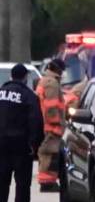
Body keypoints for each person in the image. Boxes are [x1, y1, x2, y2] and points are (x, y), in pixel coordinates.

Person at [0, 64, 44, 202]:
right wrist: (35, 144)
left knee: (1, 180)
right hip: (21, 145)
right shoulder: (29, 96)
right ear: (25, 78)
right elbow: (36, 121)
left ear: (11, 76)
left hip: (1, 144)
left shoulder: (1, 93)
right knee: (22, 183)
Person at [35, 58, 66, 192]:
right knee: (49, 154)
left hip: (46, 124)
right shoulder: (52, 83)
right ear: (58, 69)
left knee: (48, 153)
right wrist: (56, 123)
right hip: (51, 126)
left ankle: (47, 181)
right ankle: (47, 183)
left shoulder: (46, 80)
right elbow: (51, 107)